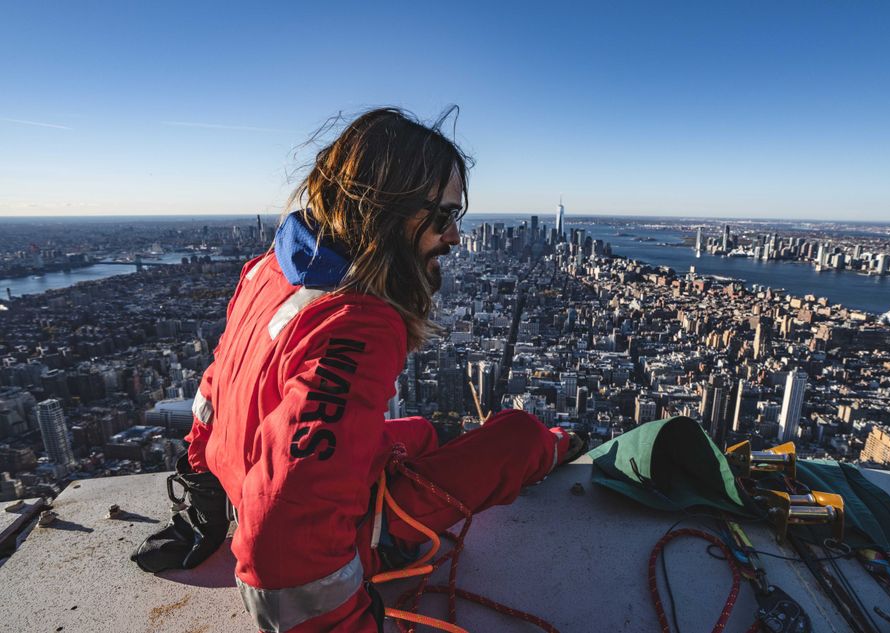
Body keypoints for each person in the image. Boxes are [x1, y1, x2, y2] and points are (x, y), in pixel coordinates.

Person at [134, 107, 584, 633]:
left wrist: (204, 503)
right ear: (390, 211)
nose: (455, 236)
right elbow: (286, 527)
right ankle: (557, 444)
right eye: (442, 216)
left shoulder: (270, 268)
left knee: (419, 432)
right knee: (517, 436)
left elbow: (214, 394)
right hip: (334, 532)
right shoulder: (357, 323)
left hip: (240, 480)